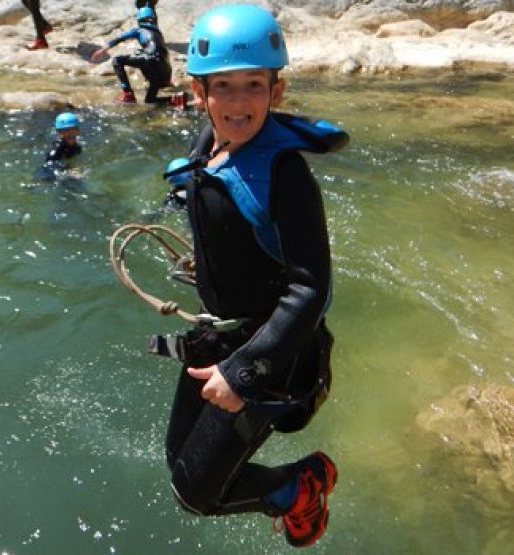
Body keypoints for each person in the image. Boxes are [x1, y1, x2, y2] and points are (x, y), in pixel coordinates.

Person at [153, 5, 349, 548]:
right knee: (180, 463)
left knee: (196, 493)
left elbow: (310, 291)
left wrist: (242, 375)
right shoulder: (209, 146)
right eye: (224, 87)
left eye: (254, 86)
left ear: (276, 92)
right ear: (200, 94)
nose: (239, 102)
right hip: (218, 336)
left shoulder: (285, 174)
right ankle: (286, 488)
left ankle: (301, 485)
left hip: (269, 356)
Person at [90, 7, 172, 104]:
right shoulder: (158, 33)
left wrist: (103, 50)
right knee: (149, 101)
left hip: (149, 60)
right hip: (164, 68)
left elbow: (120, 39)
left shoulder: (139, 30)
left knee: (117, 60)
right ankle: (175, 99)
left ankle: (128, 94)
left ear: (139, 20)